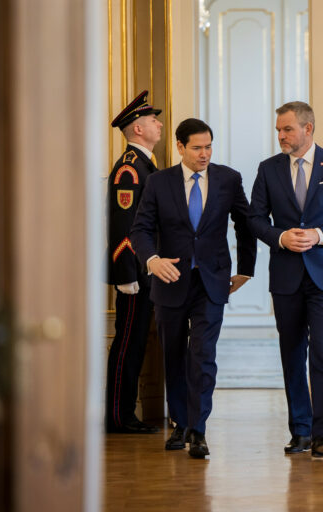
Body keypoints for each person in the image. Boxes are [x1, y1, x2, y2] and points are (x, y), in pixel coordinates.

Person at [130, 118, 256, 458]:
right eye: (197, 148)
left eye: (209, 147)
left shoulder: (229, 179)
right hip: (169, 281)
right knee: (173, 355)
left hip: (212, 282)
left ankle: (198, 430)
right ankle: (180, 424)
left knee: (203, 355)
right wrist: (152, 260)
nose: (205, 154)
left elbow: (245, 224)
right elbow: (140, 229)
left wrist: (246, 270)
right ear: (180, 147)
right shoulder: (158, 182)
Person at [249, 101, 323, 458]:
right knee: (292, 355)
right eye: (278, 130)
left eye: (287, 129)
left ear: (307, 128)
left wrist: (319, 234)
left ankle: (321, 434)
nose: (281, 136)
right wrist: (281, 237)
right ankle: (299, 432)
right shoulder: (268, 169)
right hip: (286, 277)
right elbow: (254, 219)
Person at [105, 90, 162, 434]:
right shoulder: (130, 168)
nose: (159, 125)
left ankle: (124, 414)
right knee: (127, 343)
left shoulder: (144, 164)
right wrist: (127, 274)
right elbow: (124, 226)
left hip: (145, 270)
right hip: (135, 273)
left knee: (137, 342)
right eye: (153, 120)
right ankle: (118, 417)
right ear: (138, 128)